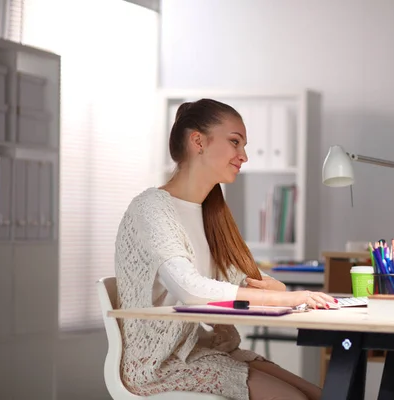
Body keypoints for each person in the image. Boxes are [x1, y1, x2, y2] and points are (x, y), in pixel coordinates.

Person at [114, 98, 335, 400]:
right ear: (198, 141)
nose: (243, 156)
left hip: (204, 352)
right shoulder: (151, 208)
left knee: (322, 394)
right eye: (235, 142)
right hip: (160, 366)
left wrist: (278, 291)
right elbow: (190, 289)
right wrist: (278, 295)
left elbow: (243, 285)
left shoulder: (210, 211)